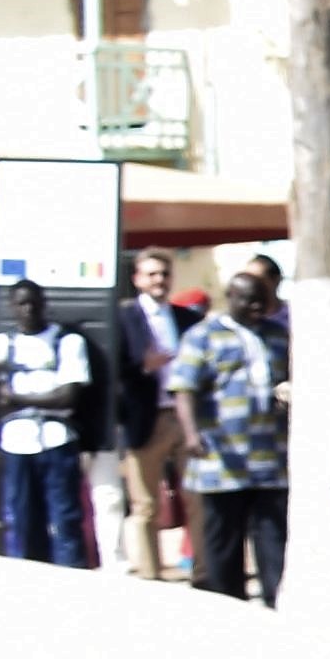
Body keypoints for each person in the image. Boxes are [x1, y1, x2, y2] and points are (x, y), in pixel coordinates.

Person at [166, 256, 294, 603]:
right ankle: (227, 604)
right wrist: (192, 435)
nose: (255, 307)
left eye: (260, 300)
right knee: (223, 541)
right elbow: (184, 388)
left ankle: (275, 601)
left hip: (270, 457)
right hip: (221, 458)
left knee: (272, 538)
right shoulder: (203, 336)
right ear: (230, 298)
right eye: (247, 300)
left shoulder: (278, 336)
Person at [0, 280, 105, 567]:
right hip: (16, 442)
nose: (29, 309)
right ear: (12, 308)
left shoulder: (67, 342)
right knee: (25, 520)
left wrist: (16, 397)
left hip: (56, 440)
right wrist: (40, 397)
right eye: (22, 304)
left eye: (34, 302)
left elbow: (67, 396)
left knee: (65, 519)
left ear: (44, 304)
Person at [114, 247, 199, 579]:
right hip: (144, 420)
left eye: (163, 274)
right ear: (137, 279)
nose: (158, 280)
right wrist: (142, 367)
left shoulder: (187, 318)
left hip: (184, 419)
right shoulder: (123, 319)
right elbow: (114, 369)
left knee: (197, 499)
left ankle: (203, 572)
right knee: (146, 507)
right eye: (151, 274)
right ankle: (150, 576)